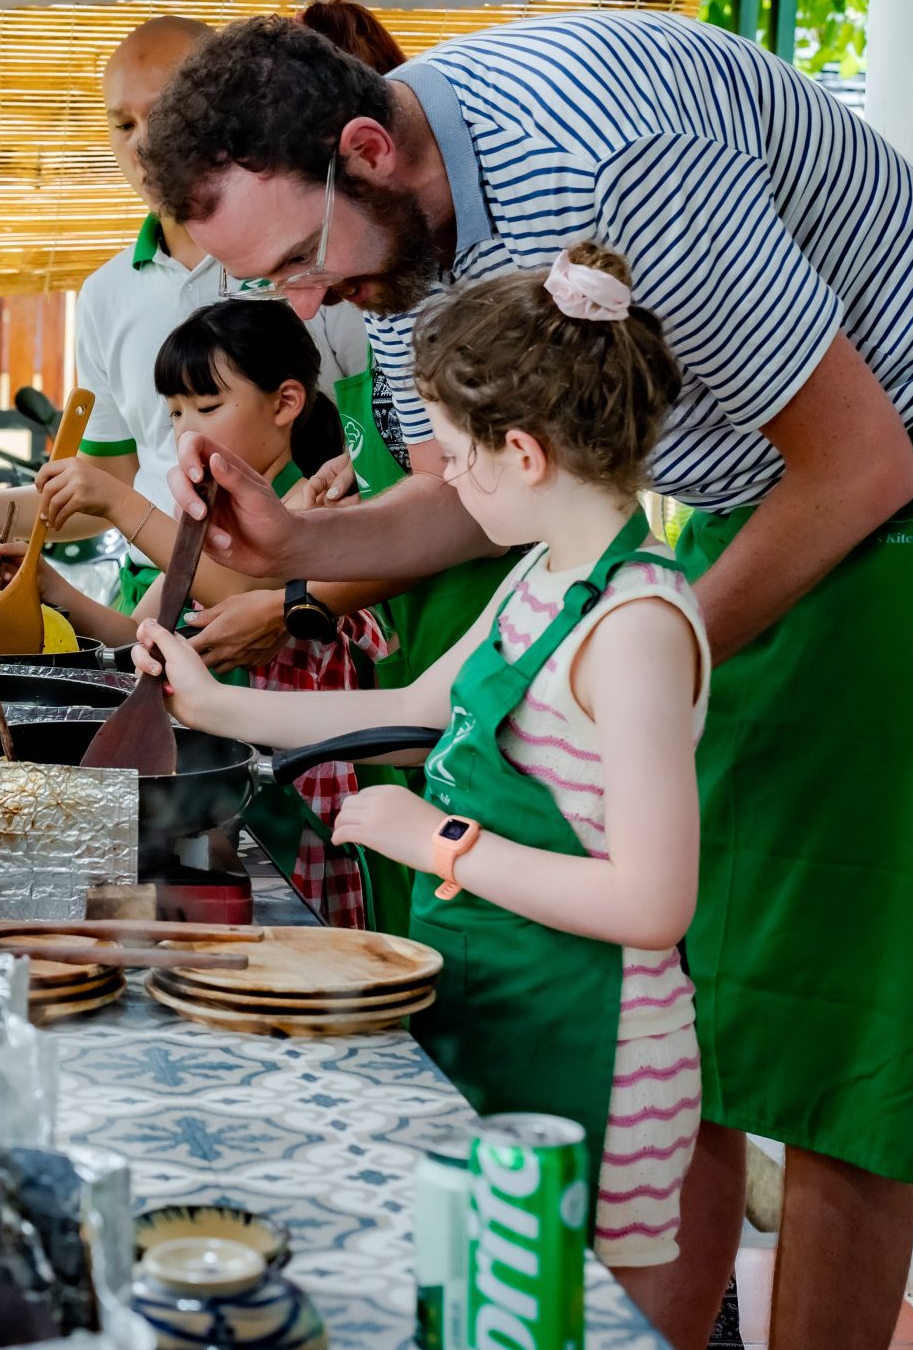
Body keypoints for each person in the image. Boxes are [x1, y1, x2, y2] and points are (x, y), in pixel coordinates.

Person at [137, 9, 913, 1350]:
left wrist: (626, 651)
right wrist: (292, 540)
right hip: (755, 495)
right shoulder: (391, 257)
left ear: (367, 146)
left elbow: (859, 461)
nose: (299, 305)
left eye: (298, 259)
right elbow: (467, 500)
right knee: (682, 1003)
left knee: (835, 1022)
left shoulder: (607, 160)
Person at [137, 243, 706, 1339]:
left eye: (450, 460)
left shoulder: (634, 626)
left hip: (603, 1047)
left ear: (523, 455)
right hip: (505, 997)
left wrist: (435, 839)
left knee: (569, 1319)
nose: (443, 487)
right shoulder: (542, 580)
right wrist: (212, 706)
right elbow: (420, 709)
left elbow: (652, 904)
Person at [0, 14, 370, 611]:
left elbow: (388, 449)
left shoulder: (310, 258)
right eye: (122, 123)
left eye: (163, 115)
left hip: (312, 601)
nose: (142, 144)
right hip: (157, 599)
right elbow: (108, 483)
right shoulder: (106, 293)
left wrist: (299, 596)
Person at [18, 297, 389, 924]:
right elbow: (139, 633)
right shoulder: (204, 517)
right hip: (228, 795)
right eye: (175, 412)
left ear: (286, 402)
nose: (187, 429)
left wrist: (119, 502)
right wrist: (49, 588)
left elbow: (239, 589)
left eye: (208, 407)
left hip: (310, 794)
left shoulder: (320, 498)